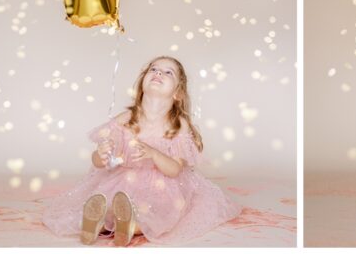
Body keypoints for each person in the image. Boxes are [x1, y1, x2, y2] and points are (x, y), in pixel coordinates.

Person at [42, 56, 241, 246]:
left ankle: (130, 226)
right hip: (123, 181)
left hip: (164, 188)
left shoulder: (177, 125)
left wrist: (154, 154)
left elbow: (174, 170)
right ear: (142, 82)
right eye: (153, 69)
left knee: (157, 214)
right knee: (112, 202)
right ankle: (97, 223)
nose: (158, 73)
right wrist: (101, 155)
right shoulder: (126, 118)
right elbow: (98, 160)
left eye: (168, 72)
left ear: (178, 93)